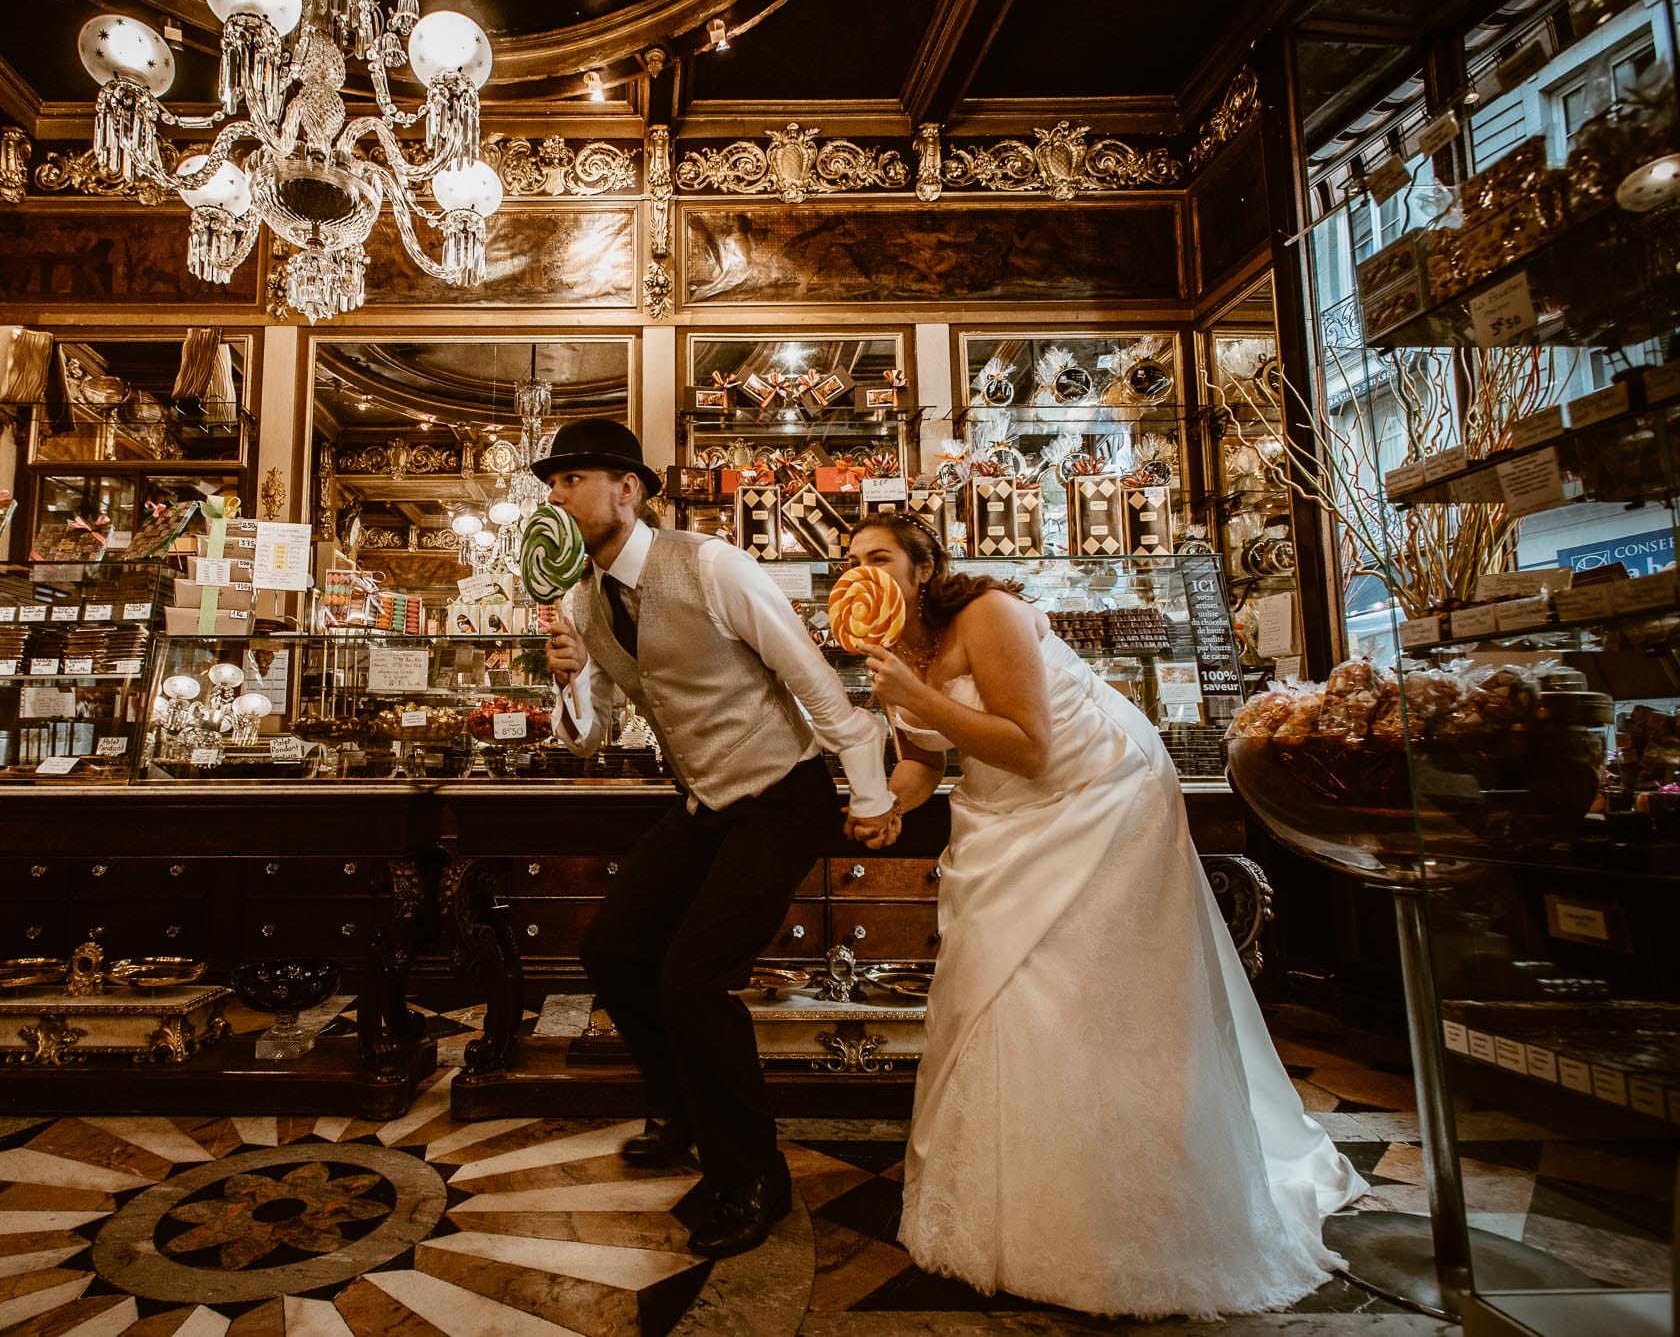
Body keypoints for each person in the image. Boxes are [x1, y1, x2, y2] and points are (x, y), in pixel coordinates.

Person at [842, 512, 1367, 1317]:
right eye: (849, 560)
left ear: (922, 567)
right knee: (995, 983)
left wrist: (915, 696)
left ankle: (1132, 1215)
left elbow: (1030, 744)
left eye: (878, 556)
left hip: (1101, 796)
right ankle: (1006, 1212)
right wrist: (887, 805)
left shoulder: (990, 613)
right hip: (1002, 815)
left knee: (1087, 992)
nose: (860, 569)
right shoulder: (889, 650)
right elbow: (926, 758)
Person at [537, 419, 898, 1259]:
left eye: (571, 478)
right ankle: (681, 1108)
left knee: (693, 982)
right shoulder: (586, 600)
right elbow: (590, 739)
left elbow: (809, 677)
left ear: (627, 488)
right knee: (615, 951)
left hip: (780, 793)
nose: (554, 496)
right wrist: (572, 681)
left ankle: (752, 1174)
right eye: (549, 484)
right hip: (704, 800)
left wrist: (871, 792)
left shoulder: (709, 564)